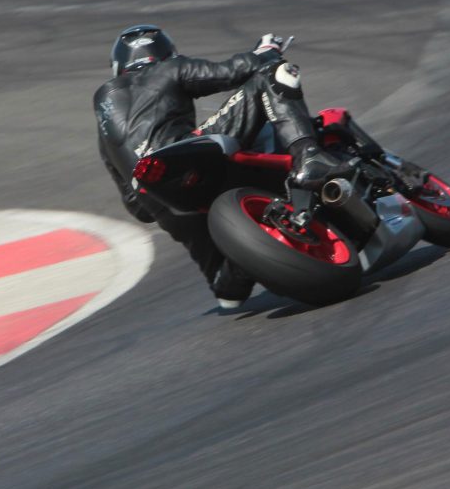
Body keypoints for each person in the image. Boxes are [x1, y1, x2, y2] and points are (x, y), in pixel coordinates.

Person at [93, 24, 352, 309]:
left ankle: (237, 268)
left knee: (226, 292)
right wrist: (266, 51)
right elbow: (231, 73)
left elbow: (138, 210)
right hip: (187, 154)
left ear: (118, 67)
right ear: (167, 54)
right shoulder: (167, 69)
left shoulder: (103, 127)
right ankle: (308, 155)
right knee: (273, 75)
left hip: (156, 196)